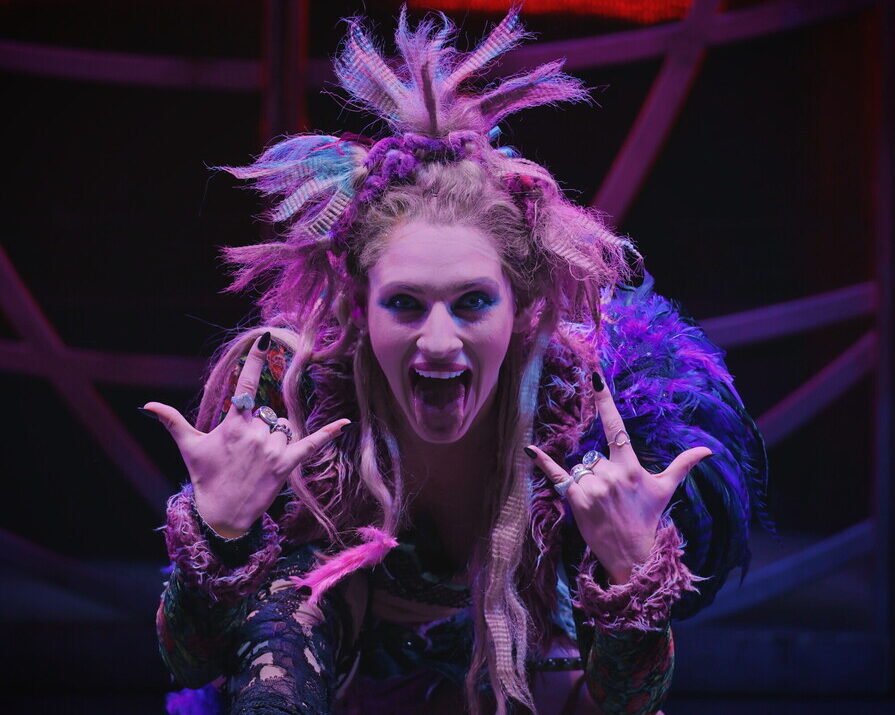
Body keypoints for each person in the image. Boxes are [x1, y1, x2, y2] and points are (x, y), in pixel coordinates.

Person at [146, 7, 771, 715]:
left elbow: (629, 702)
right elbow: (191, 661)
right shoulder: (303, 408)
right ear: (360, 308)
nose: (439, 341)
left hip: (525, 675)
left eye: (472, 303)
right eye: (405, 304)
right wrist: (219, 534)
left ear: (522, 308)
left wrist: (630, 573)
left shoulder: (581, 427)